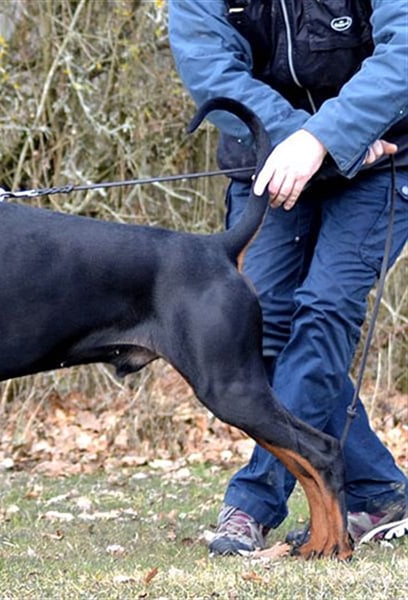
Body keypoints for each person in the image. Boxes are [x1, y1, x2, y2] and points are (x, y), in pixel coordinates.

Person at [168, 0, 408, 554]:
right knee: (264, 324)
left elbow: (401, 53)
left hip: (385, 157)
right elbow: (213, 71)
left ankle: (253, 501)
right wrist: (305, 141)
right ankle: (378, 493)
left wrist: (327, 138)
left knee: (324, 311)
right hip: (270, 159)